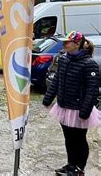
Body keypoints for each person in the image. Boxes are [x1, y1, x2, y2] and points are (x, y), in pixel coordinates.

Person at [43, 31, 100, 176]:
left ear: (77, 44)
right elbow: (57, 80)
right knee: (68, 138)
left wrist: (85, 110)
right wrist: (49, 97)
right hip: (64, 106)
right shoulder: (63, 60)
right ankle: (71, 164)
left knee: (79, 139)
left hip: (79, 108)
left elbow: (92, 89)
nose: (64, 44)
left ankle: (79, 168)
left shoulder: (89, 64)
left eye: (67, 42)